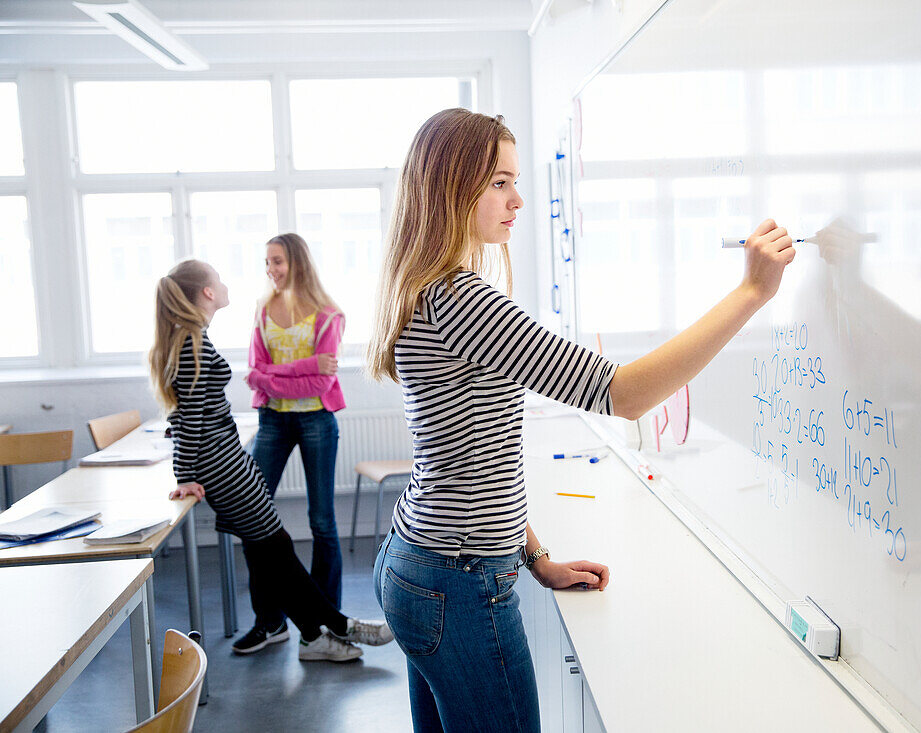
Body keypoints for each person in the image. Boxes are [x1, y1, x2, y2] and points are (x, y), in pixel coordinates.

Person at [364, 108, 794, 731]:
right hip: (454, 581)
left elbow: (470, 460)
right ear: (451, 187)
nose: (518, 199)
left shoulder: (427, 288)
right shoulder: (460, 298)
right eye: (499, 183)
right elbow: (622, 394)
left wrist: (536, 556)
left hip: (423, 561)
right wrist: (751, 293)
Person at [148, 258, 393, 663]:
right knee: (275, 549)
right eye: (219, 279)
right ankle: (338, 625)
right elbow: (190, 416)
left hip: (227, 462)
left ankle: (317, 636)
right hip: (223, 467)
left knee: (270, 552)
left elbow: (188, 412)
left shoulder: (191, 337)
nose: (225, 285)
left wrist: (190, 462)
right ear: (207, 293)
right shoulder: (191, 341)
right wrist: (186, 474)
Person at [236, 233, 346, 654]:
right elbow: (252, 373)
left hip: (316, 419)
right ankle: (270, 621)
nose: (271, 270)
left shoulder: (328, 314)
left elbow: (322, 380)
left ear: (297, 262)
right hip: (273, 420)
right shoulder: (264, 310)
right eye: (267, 262)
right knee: (252, 518)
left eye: (277, 261)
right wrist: (302, 366)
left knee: (322, 523)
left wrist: (277, 372)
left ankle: (324, 623)